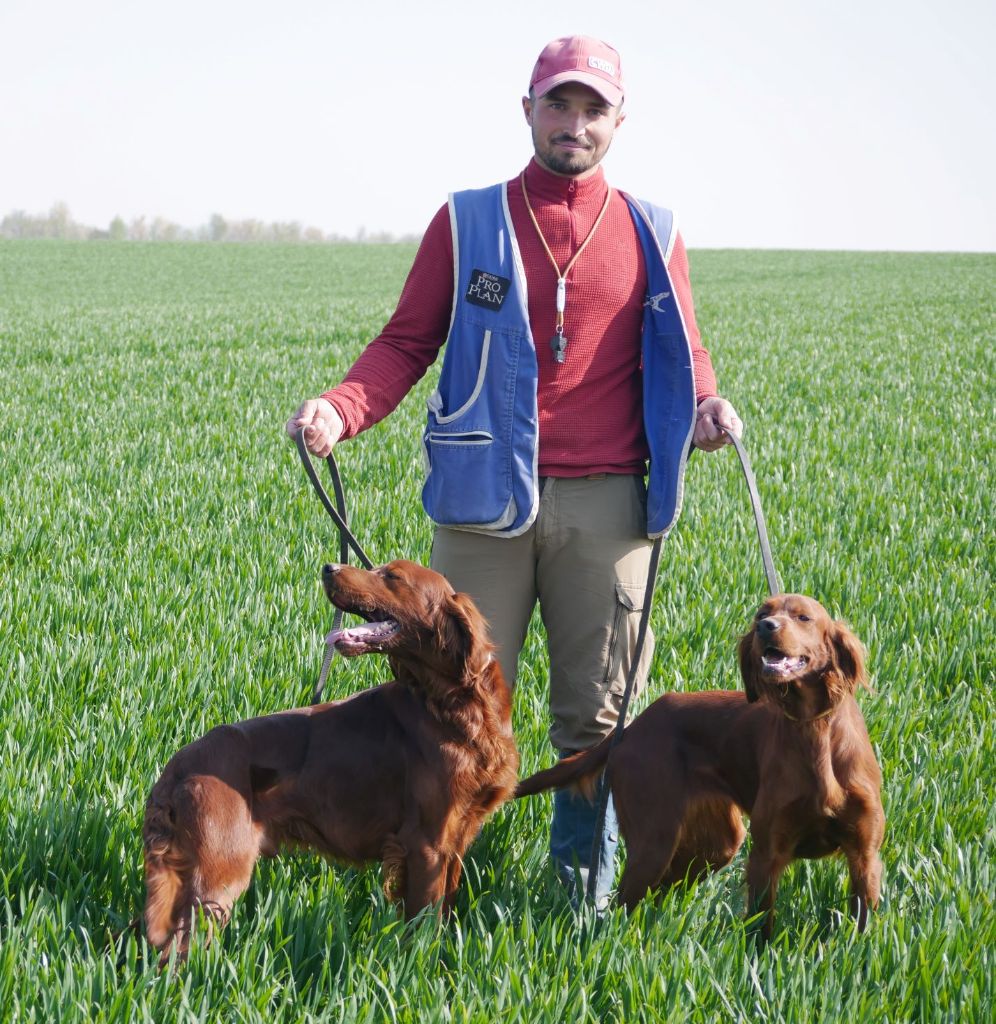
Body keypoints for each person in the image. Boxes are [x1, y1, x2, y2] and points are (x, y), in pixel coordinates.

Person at [287, 35, 743, 908]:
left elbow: (684, 349)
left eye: (593, 109)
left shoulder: (655, 229)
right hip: (481, 509)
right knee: (444, 696)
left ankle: (580, 902)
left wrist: (708, 407)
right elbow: (406, 341)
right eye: (558, 105)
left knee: (597, 720)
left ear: (618, 120)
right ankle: (428, 888)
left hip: (610, 507)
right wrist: (341, 408)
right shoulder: (469, 220)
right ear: (527, 108)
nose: (575, 124)